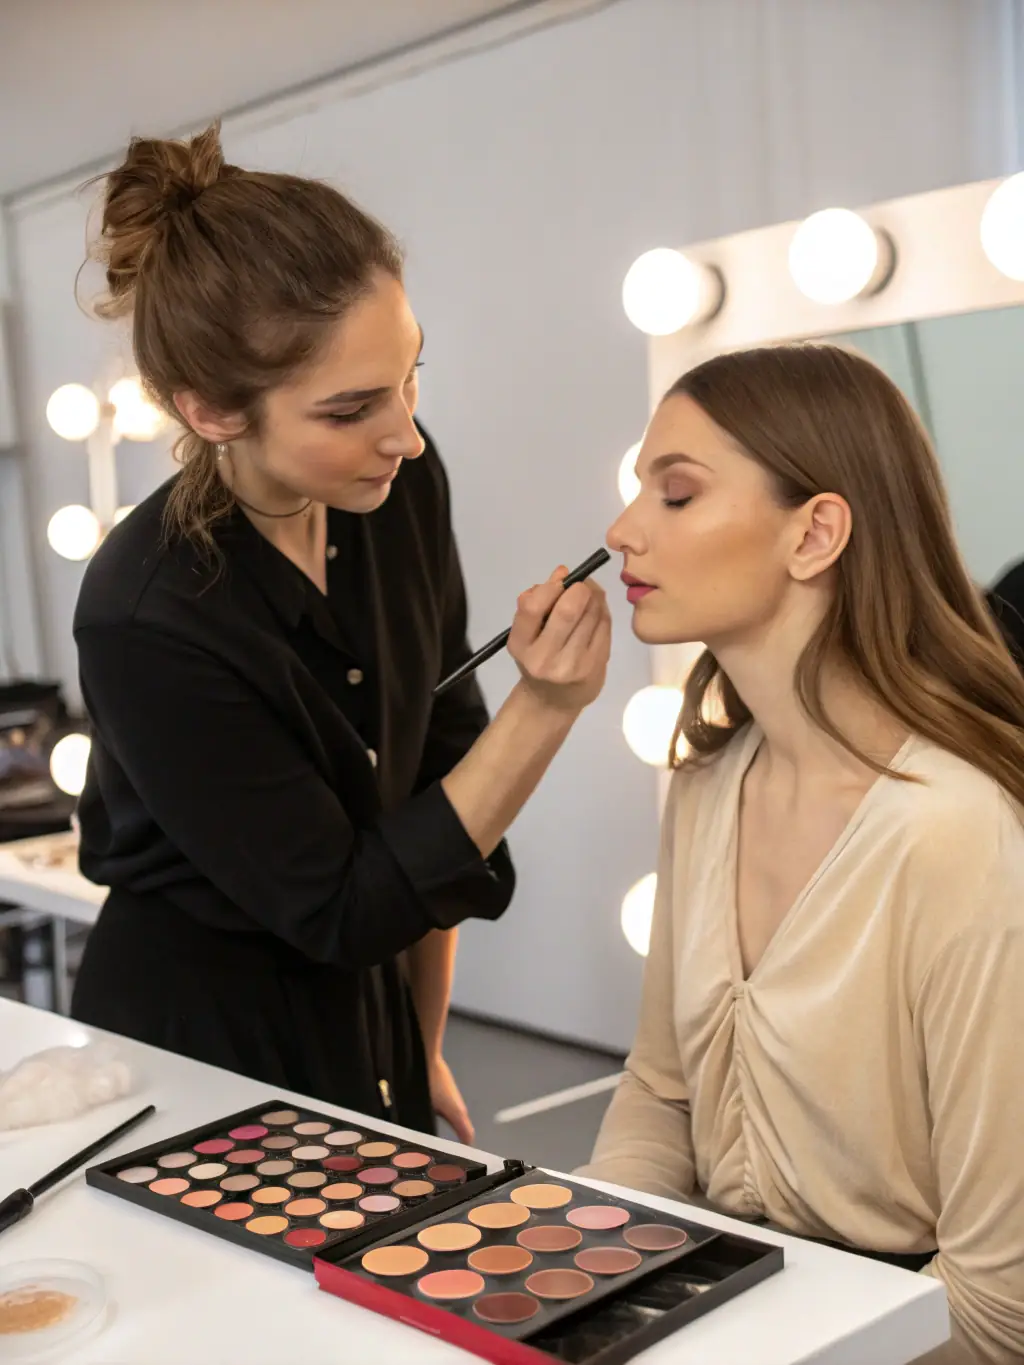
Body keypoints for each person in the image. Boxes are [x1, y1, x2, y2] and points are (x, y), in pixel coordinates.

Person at [70, 124, 610, 1143]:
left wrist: (415, 1045)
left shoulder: (399, 490)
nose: (403, 432)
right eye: (352, 407)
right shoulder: (148, 615)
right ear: (213, 411)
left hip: (371, 1013)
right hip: (199, 1055)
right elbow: (344, 905)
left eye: (410, 376)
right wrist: (546, 708)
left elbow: (436, 781)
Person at [581, 343, 1024, 1364]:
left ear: (815, 532)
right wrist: (594, 1278)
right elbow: (660, 1092)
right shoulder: (703, 791)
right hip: (718, 1308)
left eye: (676, 494)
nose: (621, 531)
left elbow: (999, 1304)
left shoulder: (953, 832)